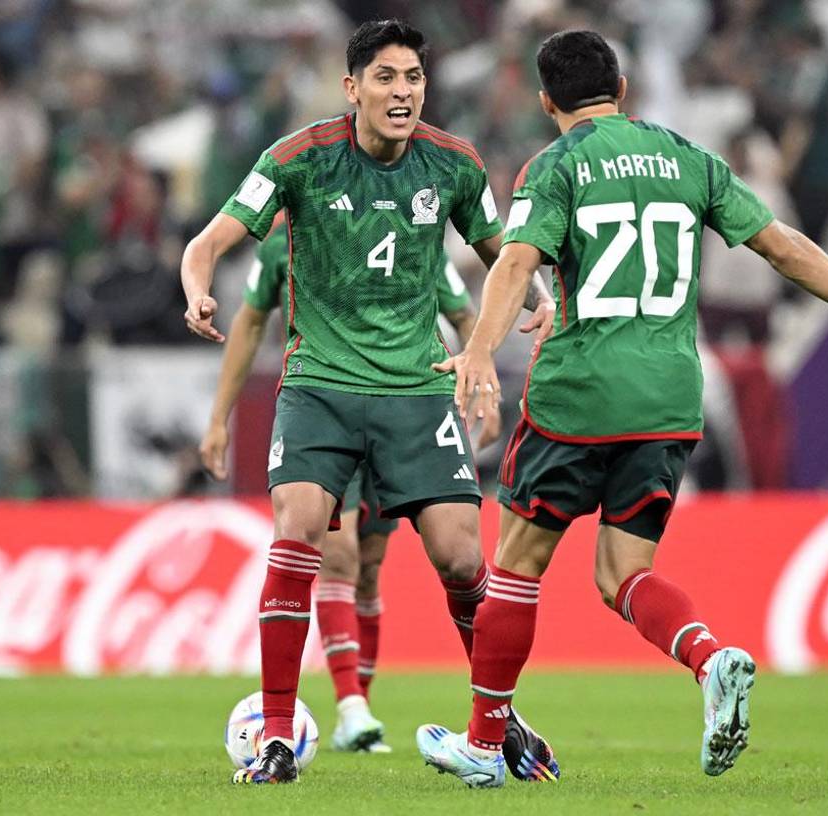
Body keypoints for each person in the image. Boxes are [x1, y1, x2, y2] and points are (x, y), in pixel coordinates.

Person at [417, 29, 828, 788]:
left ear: (545, 102)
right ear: (623, 89)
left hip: (579, 392)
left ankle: (480, 743)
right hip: (669, 398)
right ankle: (709, 659)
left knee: (517, 567)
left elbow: (516, 261)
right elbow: (781, 245)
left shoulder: (556, 164)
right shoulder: (685, 158)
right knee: (623, 573)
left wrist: (478, 352)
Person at [179, 20, 559, 785]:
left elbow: (498, 250)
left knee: (460, 556)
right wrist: (194, 286)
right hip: (319, 386)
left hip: (416, 391)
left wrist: (536, 294)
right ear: (352, 88)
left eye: (413, 78)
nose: (402, 93)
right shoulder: (298, 158)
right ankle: (278, 738)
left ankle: (499, 718)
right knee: (299, 531)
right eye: (386, 78)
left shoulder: (454, 164)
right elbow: (207, 242)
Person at [199, 218, 501, 753]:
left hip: (404, 402)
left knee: (372, 568)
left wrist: (483, 382)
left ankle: (363, 704)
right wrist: (220, 415)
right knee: (335, 556)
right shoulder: (282, 247)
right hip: (327, 403)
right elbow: (247, 324)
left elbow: (465, 310)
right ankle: (350, 705)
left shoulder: (411, 233)